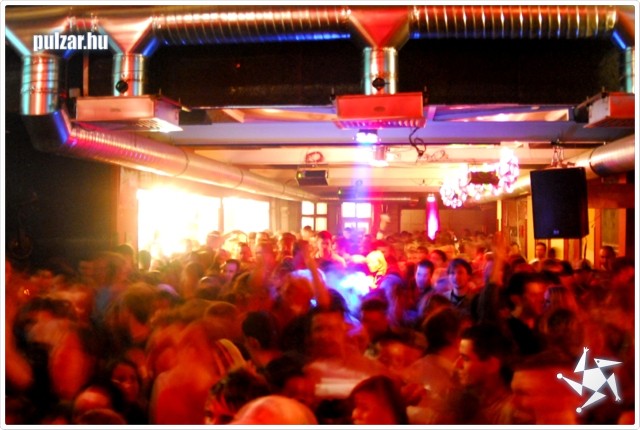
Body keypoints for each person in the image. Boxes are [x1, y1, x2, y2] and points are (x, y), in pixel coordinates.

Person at [451, 323, 515, 424]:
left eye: (465, 358)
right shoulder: (470, 402)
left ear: (492, 365)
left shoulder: (513, 414)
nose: (456, 365)